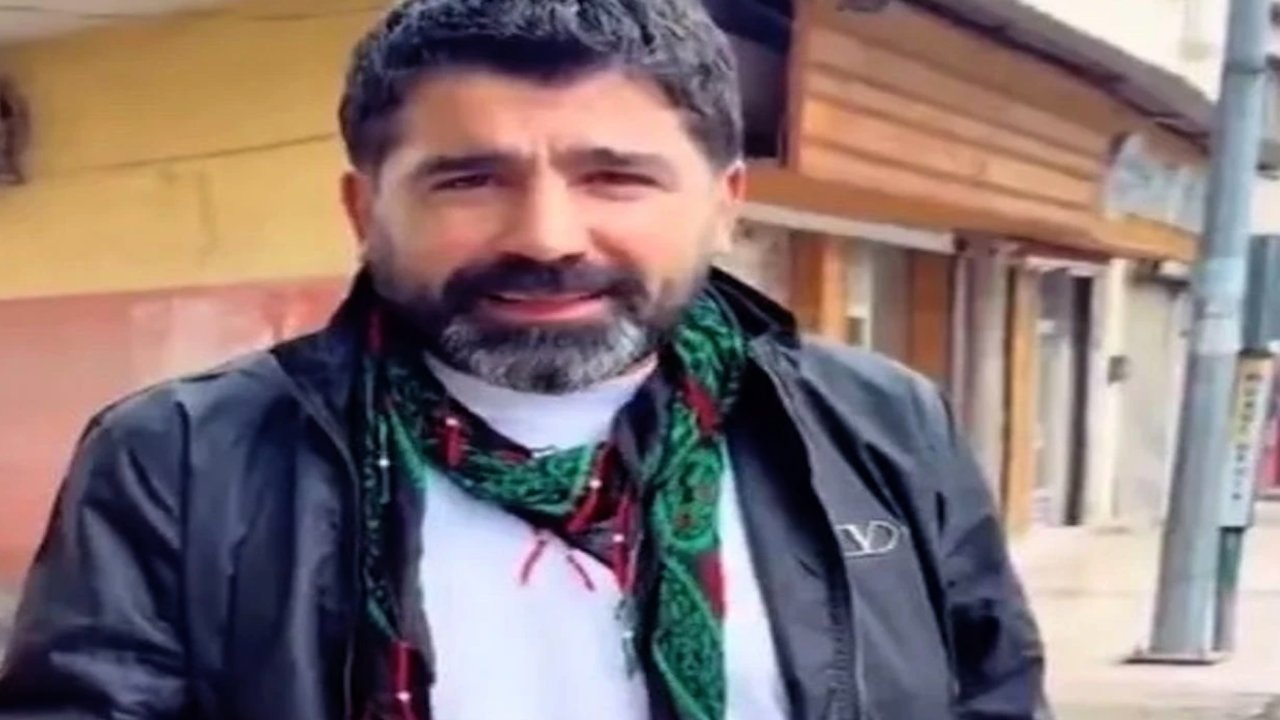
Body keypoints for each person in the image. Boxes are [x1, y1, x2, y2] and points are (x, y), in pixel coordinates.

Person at [0, 0, 1048, 718]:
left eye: (615, 177)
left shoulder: (879, 423)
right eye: (468, 180)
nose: (546, 237)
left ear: (724, 204)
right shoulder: (182, 456)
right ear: (365, 210)